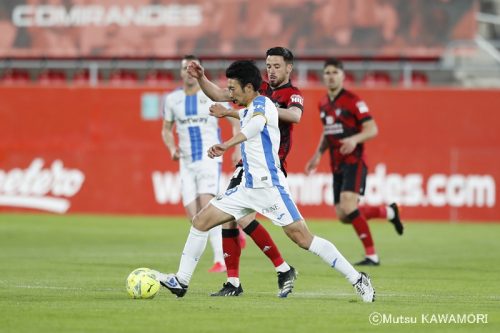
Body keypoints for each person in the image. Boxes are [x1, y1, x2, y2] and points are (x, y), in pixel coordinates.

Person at [158, 60, 375, 302]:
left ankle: (357, 279)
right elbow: (241, 112)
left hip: (270, 188)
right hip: (247, 187)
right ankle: (181, 280)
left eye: (233, 89)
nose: (229, 93)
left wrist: (227, 144)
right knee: (201, 221)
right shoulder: (251, 105)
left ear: (249, 88)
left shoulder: (263, 105)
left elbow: (255, 125)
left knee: (304, 239)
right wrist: (209, 88)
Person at [187, 47, 303, 297]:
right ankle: (235, 282)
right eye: (268, 65)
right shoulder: (257, 89)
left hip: (268, 165)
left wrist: (261, 108)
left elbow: (295, 116)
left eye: (277, 66)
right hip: (249, 164)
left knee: (241, 217)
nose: (271, 70)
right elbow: (220, 94)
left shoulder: (290, 94)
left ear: (288, 68)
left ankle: (282, 269)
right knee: (231, 217)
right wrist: (201, 78)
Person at [305, 58, 404, 266]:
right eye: (327, 72)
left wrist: (354, 139)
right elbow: (327, 132)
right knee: (343, 215)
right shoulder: (322, 103)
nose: (331, 76)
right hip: (336, 164)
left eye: (335, 72)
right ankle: (389, 212)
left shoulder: (353, 100)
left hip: (354, 161)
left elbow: (372, 129)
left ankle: (372, 255)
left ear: (342, 75)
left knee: (349, 204)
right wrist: (317, 155)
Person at [162, 55, 239, 273]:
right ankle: (233, 231)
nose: (188, 71)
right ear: (180, 72)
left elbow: (235, 120)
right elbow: (166, 130)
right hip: (186, 162)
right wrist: (171, 148)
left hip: (209, 157)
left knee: (207, 204)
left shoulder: (211, 95)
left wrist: (236, 147)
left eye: (192, 67)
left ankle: (220, 260)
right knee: (194, 218)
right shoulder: (172, 100)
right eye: (185, 67)